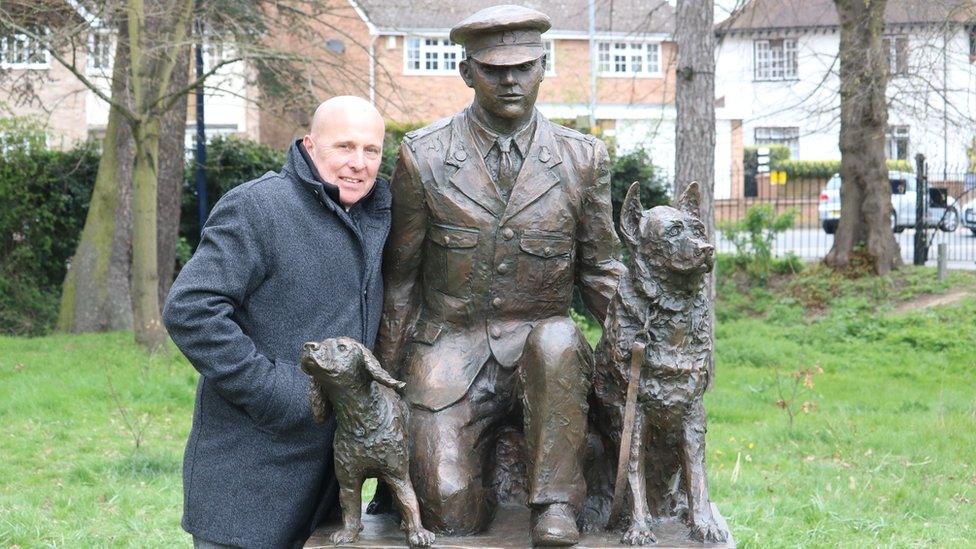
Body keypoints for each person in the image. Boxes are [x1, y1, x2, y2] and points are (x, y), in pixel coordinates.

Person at [374, 6, 624, 546]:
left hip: (543, 356)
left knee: (558, 335)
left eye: (524, 67)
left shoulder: (583, 159)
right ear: (467, 73)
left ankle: (556, 503)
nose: (510, 80)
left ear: (543, 67)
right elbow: (401, 282)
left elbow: (602, 269)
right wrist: (387, 387)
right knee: (447, 518)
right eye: (493, 69)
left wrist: (639, 340)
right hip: (450, 355)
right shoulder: (424, 157)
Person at [163, 96, 390, 548]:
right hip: (249, 482)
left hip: (325, 492)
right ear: (309, 145)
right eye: (344, 147)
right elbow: (191, 309)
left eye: (372, 150)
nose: (358, 163)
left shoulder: (378, 214)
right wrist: (279, 393)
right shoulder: (258, 207)